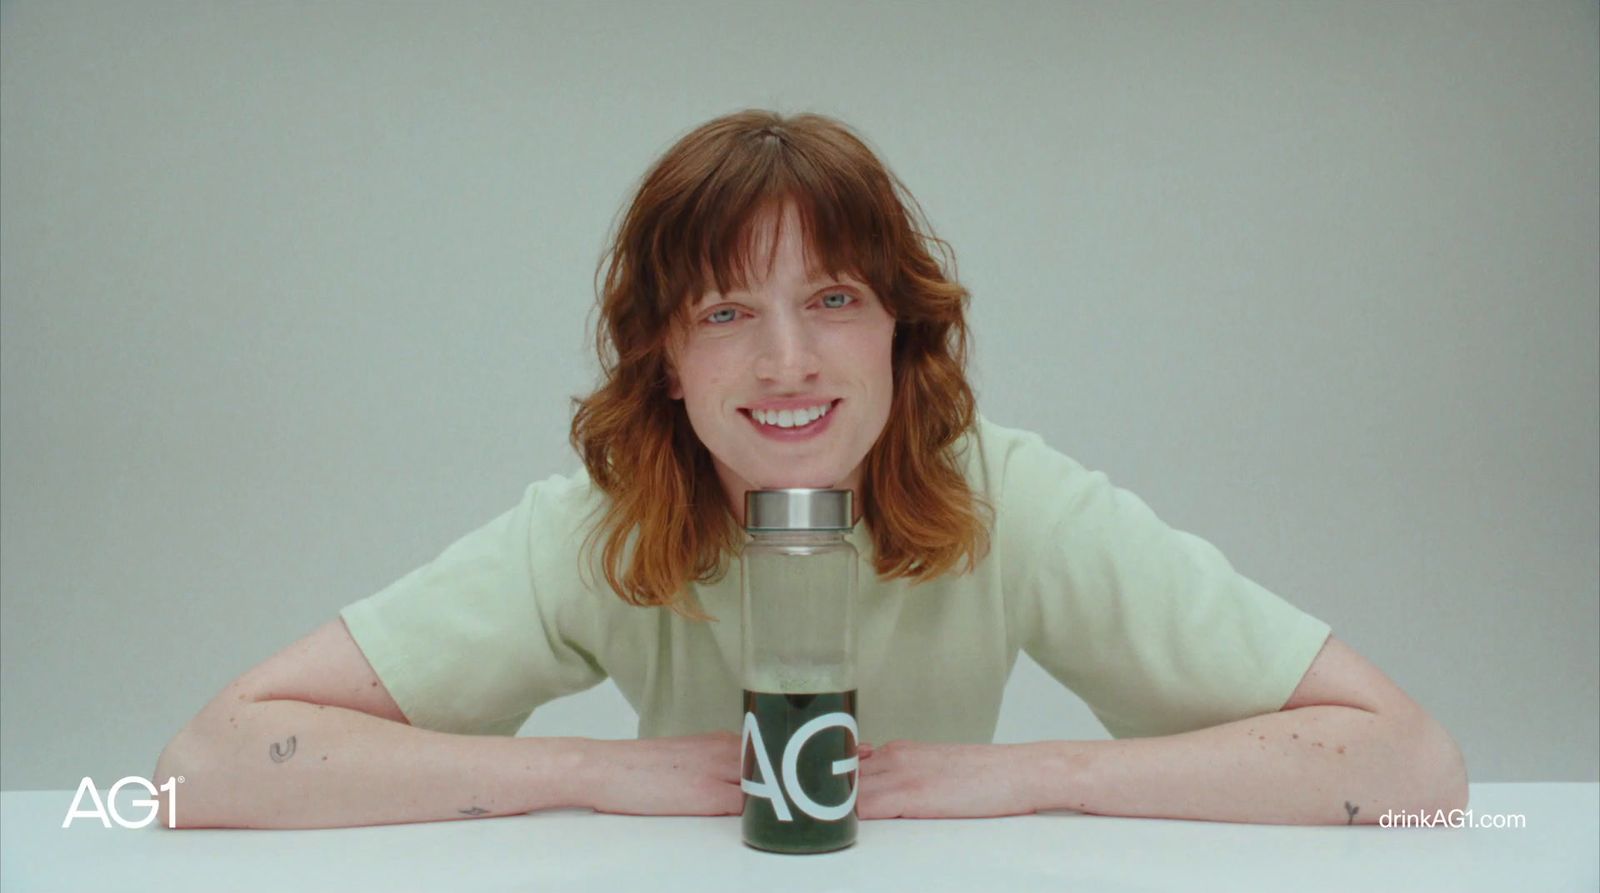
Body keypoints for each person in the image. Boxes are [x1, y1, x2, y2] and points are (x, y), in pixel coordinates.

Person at [153, 109, 1467, 830]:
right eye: (726, 311)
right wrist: (603, 772)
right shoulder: (599, 532)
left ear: (901, 324)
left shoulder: (1012, 501)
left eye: (831, 297)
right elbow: (203, 766)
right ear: (665, 358)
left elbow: (1413, 768)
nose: (786, 361)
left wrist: (1026, 774)